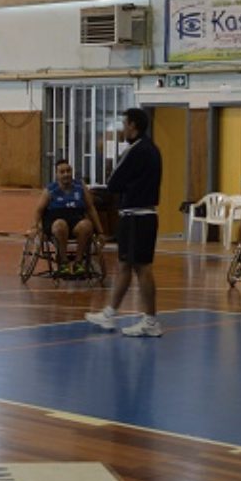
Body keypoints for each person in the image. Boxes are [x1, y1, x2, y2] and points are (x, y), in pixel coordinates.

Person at [87, 108, 163, 337]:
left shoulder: (136, 150)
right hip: (136, 215)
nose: (121, 128)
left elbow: (113, 182)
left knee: (143, 269)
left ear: (133, 126)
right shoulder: (152, 149)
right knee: (123, 267)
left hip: (138, 217)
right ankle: (109, 313)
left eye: (124, 123)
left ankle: (150, 321)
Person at [31, 158, 105, 276]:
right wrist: (34, 227)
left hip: (76, 220)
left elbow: (91, 208)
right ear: (56, 175)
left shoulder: (80, 186)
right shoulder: (50, 190)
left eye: (68, 171)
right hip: (56, 221)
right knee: (61, 225)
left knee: (86, 225)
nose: (66, 174)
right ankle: (63, 262)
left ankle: (79, 262)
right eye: (62, 172)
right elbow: (38, 211)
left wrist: (100, 232)